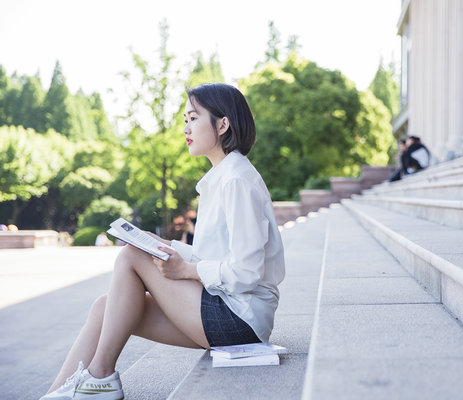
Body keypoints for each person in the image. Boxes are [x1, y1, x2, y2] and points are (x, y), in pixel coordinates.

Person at [40, 83, 286, 400]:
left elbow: (247, 271)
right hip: (225, 310)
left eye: (194, 118)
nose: (186, 128)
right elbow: (213, 255)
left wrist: (186, 271)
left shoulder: (237, 179)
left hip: (240, 319)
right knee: (105, 307)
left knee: (130, 257)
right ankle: (56, 393)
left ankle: (100, 377)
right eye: (185, 119)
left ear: (222, 124)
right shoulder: (223, 176)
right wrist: (164, 245)